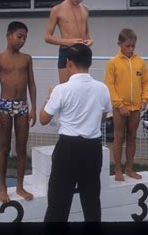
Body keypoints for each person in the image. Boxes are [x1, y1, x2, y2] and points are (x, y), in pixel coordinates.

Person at [39, 43, 112, 222]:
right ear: (90, 63)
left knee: (58, 205)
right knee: (91, 203)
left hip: (68, 149)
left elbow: (43, 119)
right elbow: (103, 117)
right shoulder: (102, 88)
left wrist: (47, 99)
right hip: (93, 149)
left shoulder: (61, 89)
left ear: (68, 63)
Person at [0, 21, 37, 203]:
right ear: (8, 36)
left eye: (25, 37)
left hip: (23, 106)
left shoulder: (27, 59)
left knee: (22, 148)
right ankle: (2, 188)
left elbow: (31, 83)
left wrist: (33, 108)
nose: (22, 40)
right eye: (19, 36)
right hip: (5, 107)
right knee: (4, 147)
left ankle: (20, 186)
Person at [104, 28, 148, 181]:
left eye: (133, 46)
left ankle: (129, 169)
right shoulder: (113, 63)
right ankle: (118, 170)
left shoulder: (140, 62)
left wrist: (145, 100)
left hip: (136, 108)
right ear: (119, 44)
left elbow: (146, 83)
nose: (131, 49)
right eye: (127, 46)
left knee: (132, 137)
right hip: (120, 108)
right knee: (118, 137)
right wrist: (120, 105)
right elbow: (109, 86)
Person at [44, 0, 93, 83]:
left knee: (82, 88)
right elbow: (47, 37)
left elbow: (88, 35)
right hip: (67, 52)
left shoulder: (85, 10)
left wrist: (90, 41)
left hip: (82, 52)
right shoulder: (57, 10)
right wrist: (68, 42)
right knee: (66, 89)